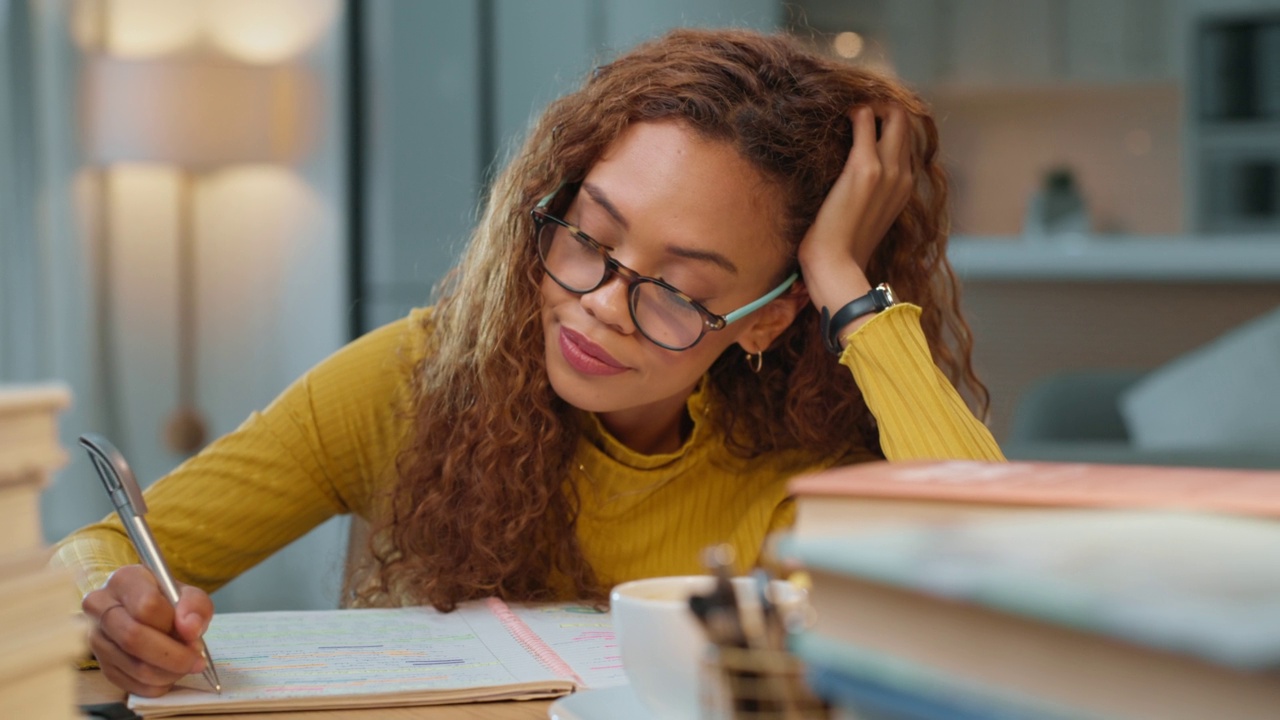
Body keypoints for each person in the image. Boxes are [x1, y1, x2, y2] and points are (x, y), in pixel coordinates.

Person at [53, 28, 1003, 697]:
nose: (599, 303)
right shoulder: (415, 375)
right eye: (589, 238)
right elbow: (96, 552)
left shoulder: (800, 467)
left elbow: (1004, 581)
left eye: (680, 289)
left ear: (766, 318)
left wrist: (847, 288)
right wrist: (113, 606)